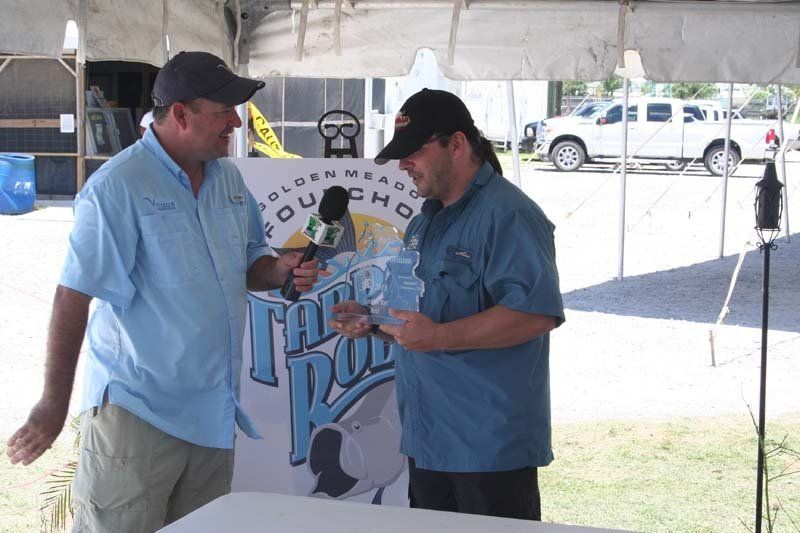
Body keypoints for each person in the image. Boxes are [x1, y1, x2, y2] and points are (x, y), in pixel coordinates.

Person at [6, 51, 322, 532]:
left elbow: (251, 262)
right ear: (180, 114)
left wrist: (278, 269)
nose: (235, 122)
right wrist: (53, 404)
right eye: (222, 112)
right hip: (139, 414)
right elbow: (74, 295)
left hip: (213, 412)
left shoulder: (229, 179)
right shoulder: (118, 187)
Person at [329, 89, 564, 521]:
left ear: (456, 144)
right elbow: (422, 312)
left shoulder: (509, 214)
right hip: (427, 436)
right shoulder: (425, 221)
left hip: (488, 448)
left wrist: (438, 337)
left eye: (413, 152)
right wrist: (373, 322)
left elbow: (536, 314)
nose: (403, 164)